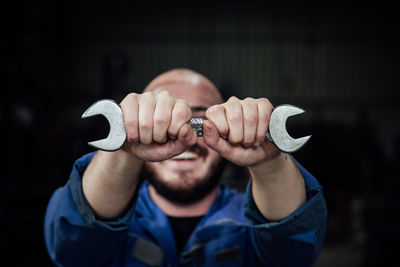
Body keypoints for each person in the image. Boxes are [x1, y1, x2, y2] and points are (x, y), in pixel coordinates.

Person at [44, 68, 327, 266]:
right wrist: (124, 149)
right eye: (159, 118)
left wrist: (270, 160)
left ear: (233, 124)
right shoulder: (113, 212)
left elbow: (294, 252)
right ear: (137, 122)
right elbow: (73, 248)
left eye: (201, 114)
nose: (184, 135)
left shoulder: (252, 222)